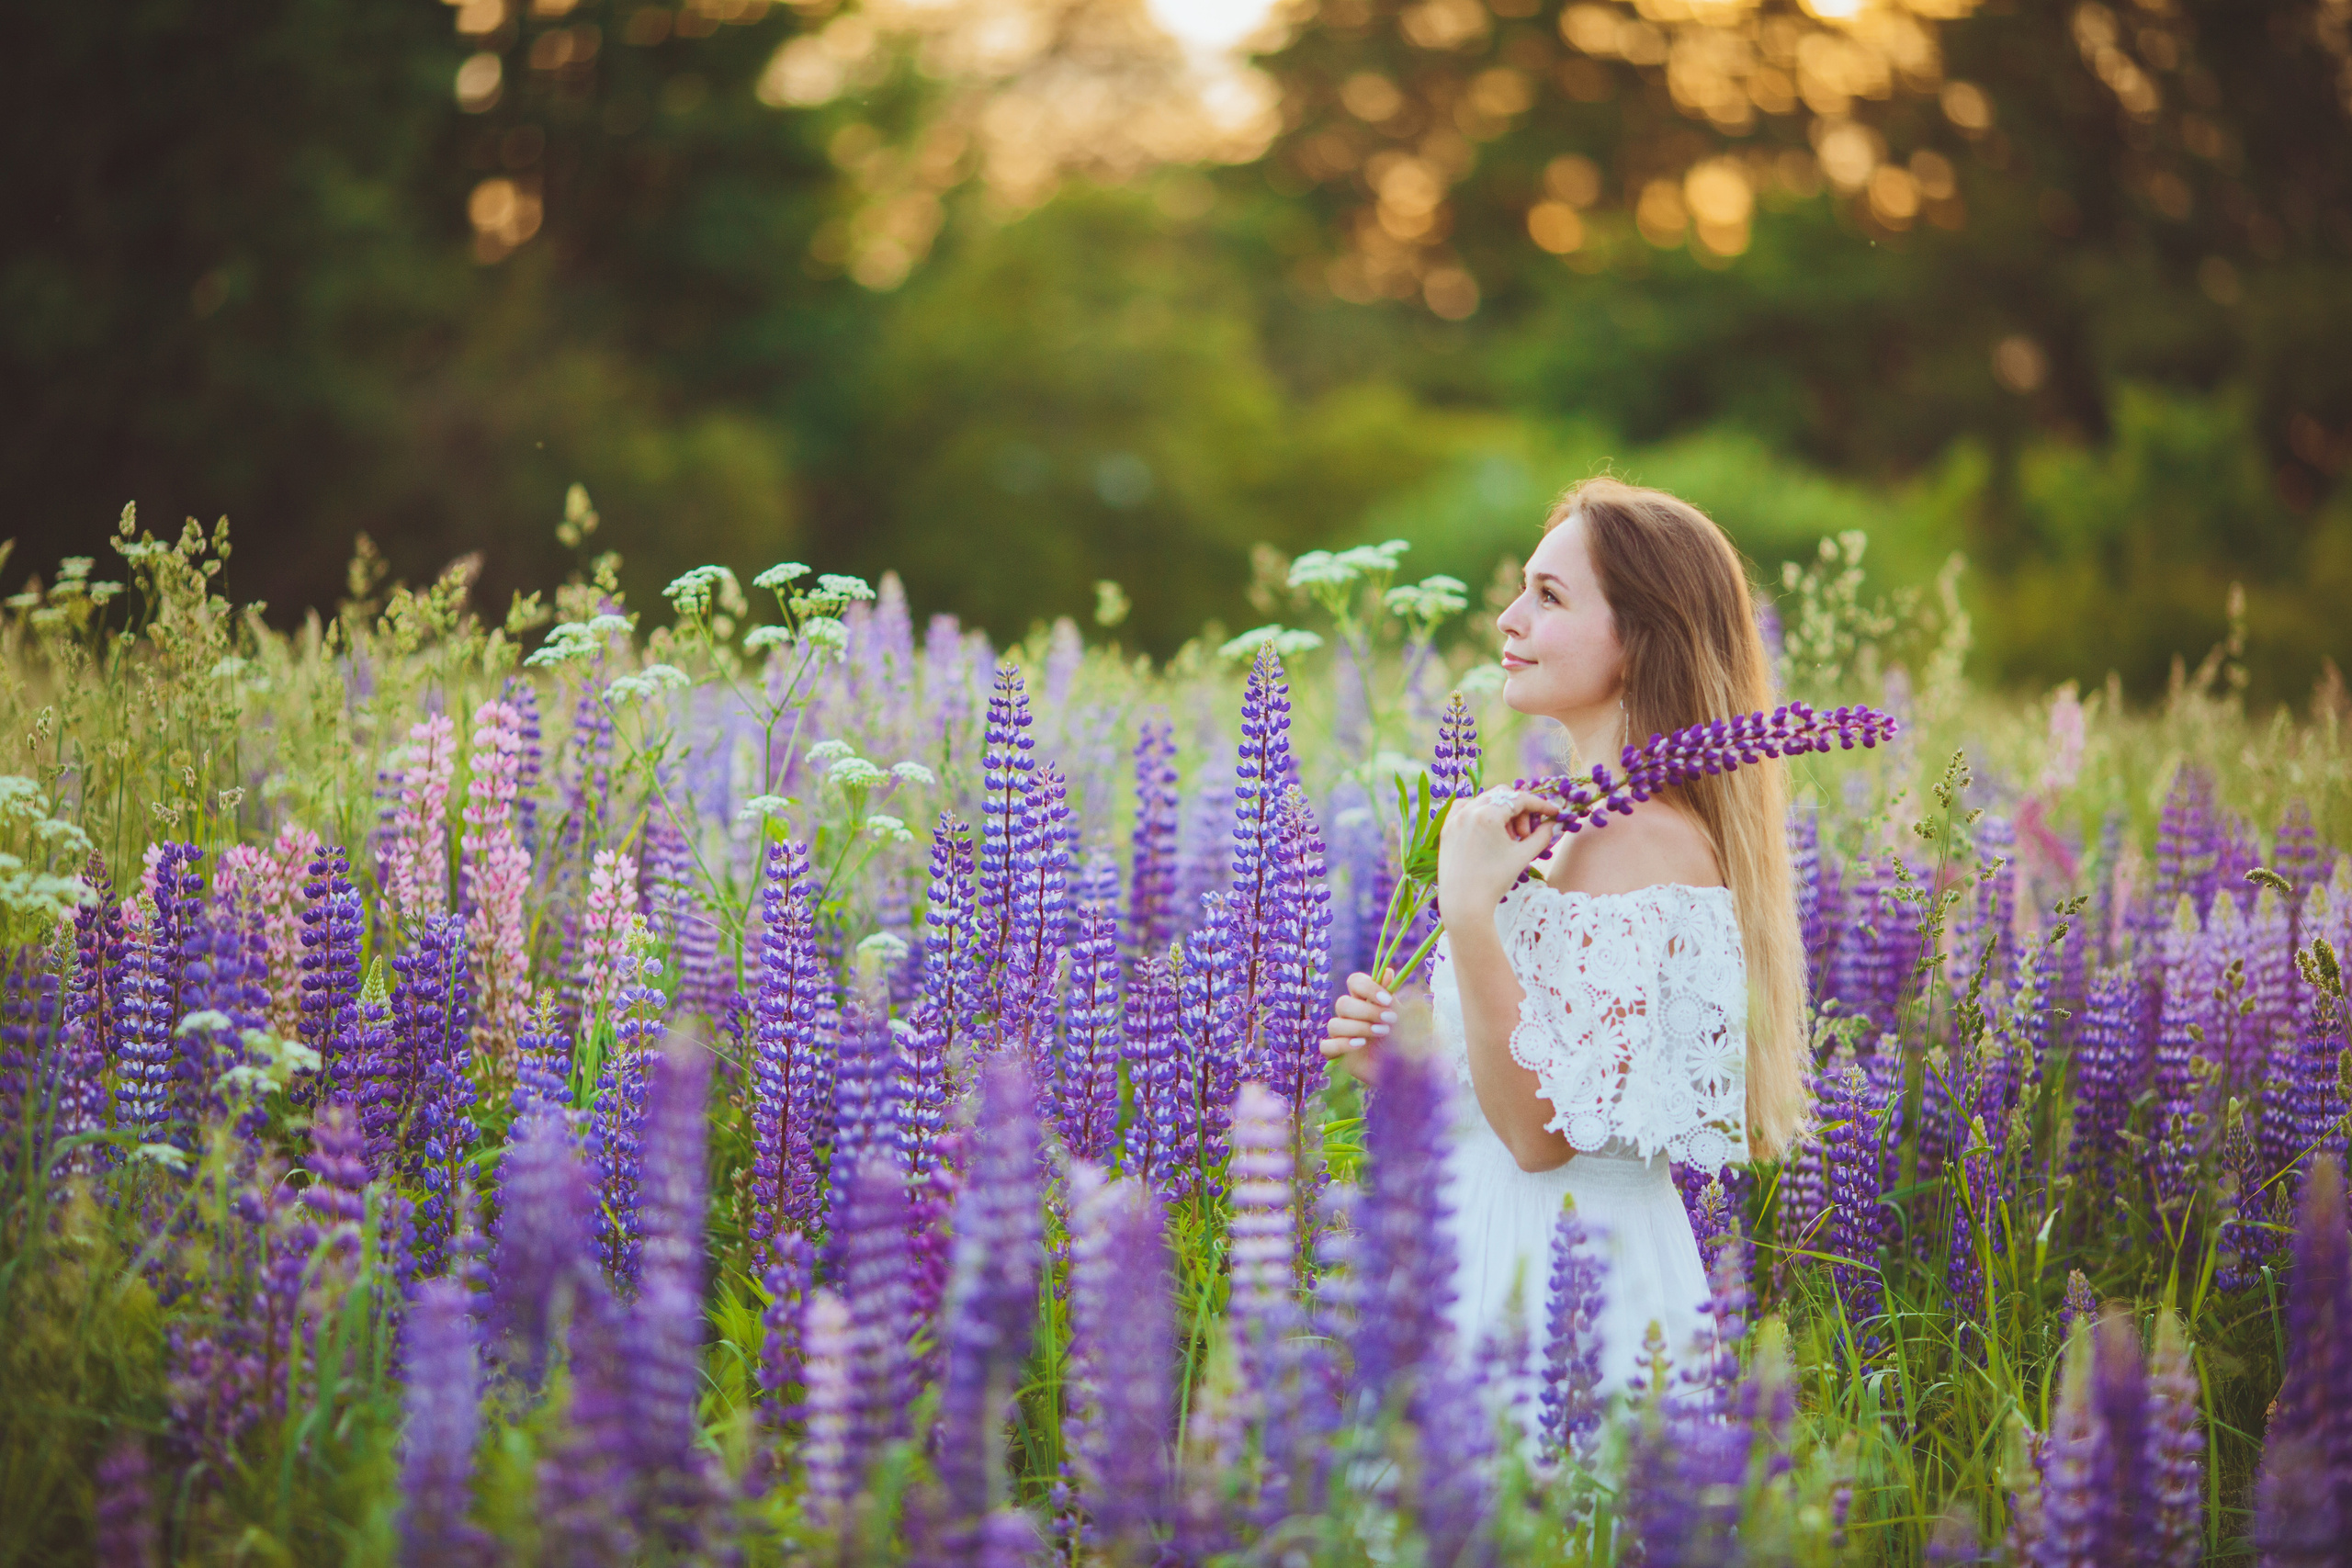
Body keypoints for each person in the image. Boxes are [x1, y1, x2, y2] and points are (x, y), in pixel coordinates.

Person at [1320, 476, 1808, 1413]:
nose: (1507, 618)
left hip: (1563, 1288)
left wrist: (1467, 912)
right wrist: (1410, 1068)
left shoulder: (1643, 836)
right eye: (1520, 589)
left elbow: (1545, 1142)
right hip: (1509, 1253)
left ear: (1639, 639)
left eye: (1547, 597)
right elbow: (1539, 1091)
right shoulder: (1589, 821)